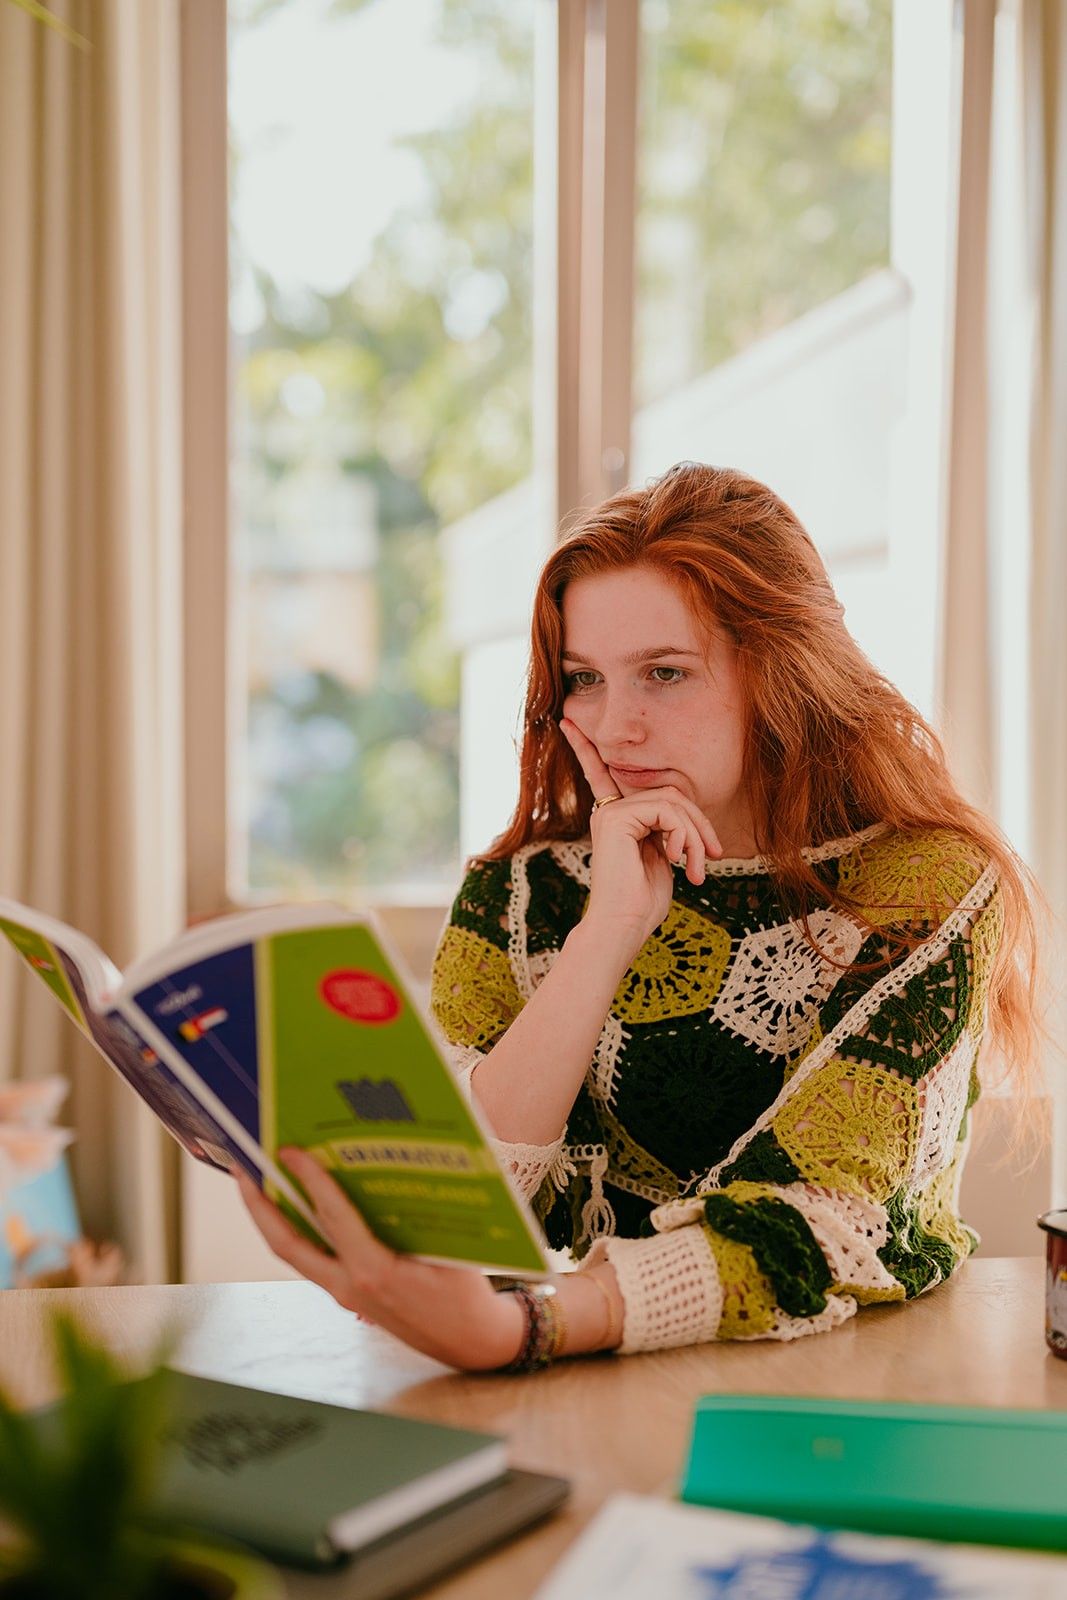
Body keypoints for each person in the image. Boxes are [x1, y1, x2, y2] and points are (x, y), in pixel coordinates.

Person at [237, 462, 1040, 1370]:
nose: (617, 727)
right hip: (586, 1369)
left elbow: (818, 1215)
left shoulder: (923, 882)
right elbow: (461, 1207)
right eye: (584, 679)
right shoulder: (515, 895)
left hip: (853, 1378)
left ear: (782, 672)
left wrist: (529, 1325)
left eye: (664, 673)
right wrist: (606, 934)